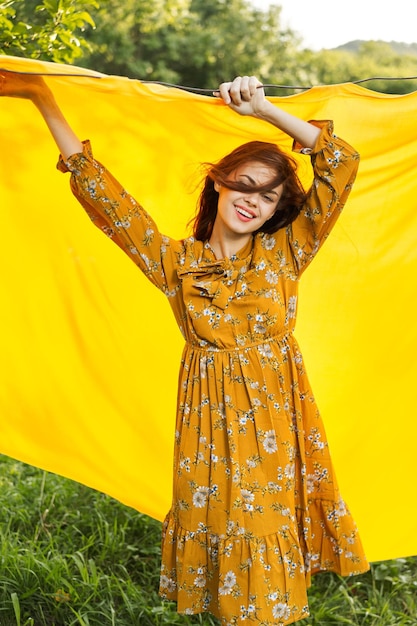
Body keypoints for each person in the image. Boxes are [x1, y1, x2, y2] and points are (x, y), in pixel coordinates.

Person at [0, 72, 369, 625]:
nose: (255, 201)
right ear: (219, 183)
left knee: (264, 531)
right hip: (208, 422)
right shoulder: (176, 264)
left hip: (276, 410)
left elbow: (341, 162)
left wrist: (264, 112)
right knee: (222, 532)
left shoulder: (286, 251)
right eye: (245, 184)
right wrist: (41, 97)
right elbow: (109, 202)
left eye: (269, 196)